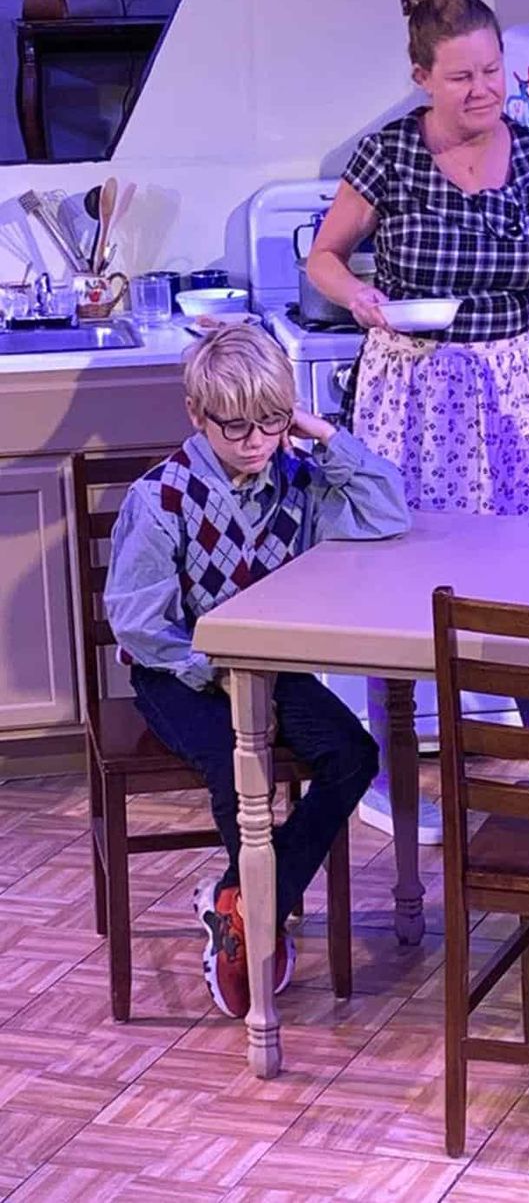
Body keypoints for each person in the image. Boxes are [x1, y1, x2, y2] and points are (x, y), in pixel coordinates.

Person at [306, 0, 529, 840]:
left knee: (518, 562)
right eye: (461, 76)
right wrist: (357, 297)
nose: (482, 90)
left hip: (509, 381)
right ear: (423, 81)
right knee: (401, 563)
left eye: (492, 70)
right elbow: (325, 257)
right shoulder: (390, 154)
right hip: (412, 381)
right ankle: (388, 762)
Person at [105, 325, 410, 1018]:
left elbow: (387, 510)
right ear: (196, 413)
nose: (255, 441)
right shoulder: (163, 499)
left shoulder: (298, 479)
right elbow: (140, 625)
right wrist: (216, 671)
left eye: (271, 422)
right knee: (233, 760)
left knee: (353, 753)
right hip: (178, 671)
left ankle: (246, 904)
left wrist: (320, 433)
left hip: (268, 665)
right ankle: (257, 914)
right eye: (237, 426)